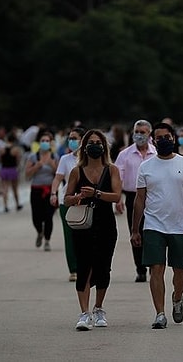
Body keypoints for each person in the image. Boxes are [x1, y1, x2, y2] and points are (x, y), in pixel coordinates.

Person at [130, 122, 183, 329]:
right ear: (154, 140)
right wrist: (135, 229)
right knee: (156, 269)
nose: (163, 141)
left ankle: (177, 296)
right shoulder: (146, 167)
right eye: (159, 138)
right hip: (153, 225)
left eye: (167, 137)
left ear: (174, 138)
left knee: (181, 270)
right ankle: (160, 314)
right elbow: (139, 199)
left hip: (179, 226)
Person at [63, 129, 122, 331]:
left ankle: (98, 308)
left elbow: (116, 196)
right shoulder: (76, 171)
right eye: (90, 142)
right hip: (83, 225)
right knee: (84, 268)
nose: (94, 145)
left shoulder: (111, 169)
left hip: (105, 223)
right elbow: (66, 199)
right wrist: (78, 196)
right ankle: (84, 312)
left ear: (104, 147)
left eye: (98, 142)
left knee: (103, 267)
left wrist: (96, 193)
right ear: (84, 147)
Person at [114, 119, 156, 282]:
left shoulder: (156, 153)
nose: (139, 135)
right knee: (136, 231)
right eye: (136, 132)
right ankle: (140, 269)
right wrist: (118, 198)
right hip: (132, 196)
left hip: (153, 197)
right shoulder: (125, 154)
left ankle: (154, 265)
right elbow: (118, 177)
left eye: (142, 132)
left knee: (153, 233)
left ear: (149, 134)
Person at [51, 126, 86, 281]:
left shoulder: (89, 158)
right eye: (70, 138)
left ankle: (86, 267)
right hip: (67, 201)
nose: (72, 141)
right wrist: (53, 193)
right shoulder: (65, 159)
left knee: (85, 235)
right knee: (70, 236)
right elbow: (58, 178)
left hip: (85, 202)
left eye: (75, 138)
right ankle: (74, 269)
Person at [25, 130, 58, 251]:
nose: (45, 143)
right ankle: (39, 231)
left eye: (47, 141)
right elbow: (27, 175)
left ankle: (47, 240)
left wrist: (52, 165)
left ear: (51, 143)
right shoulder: (33, 157)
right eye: (43, 141)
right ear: (39, 143)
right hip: (36, 190)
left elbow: (59, 174)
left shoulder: (55, 157)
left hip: (50, 190)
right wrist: (36, 167)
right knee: (36, 217)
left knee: (49, 216)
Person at [0, 132, 23, 212]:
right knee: (14, 188)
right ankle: (17, 204)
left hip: (4, 169)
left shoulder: (2, 149)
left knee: (5, 188)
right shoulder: (15, 149)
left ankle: (5, 206)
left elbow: (0, 159)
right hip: (12, 169)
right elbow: (18, 160)